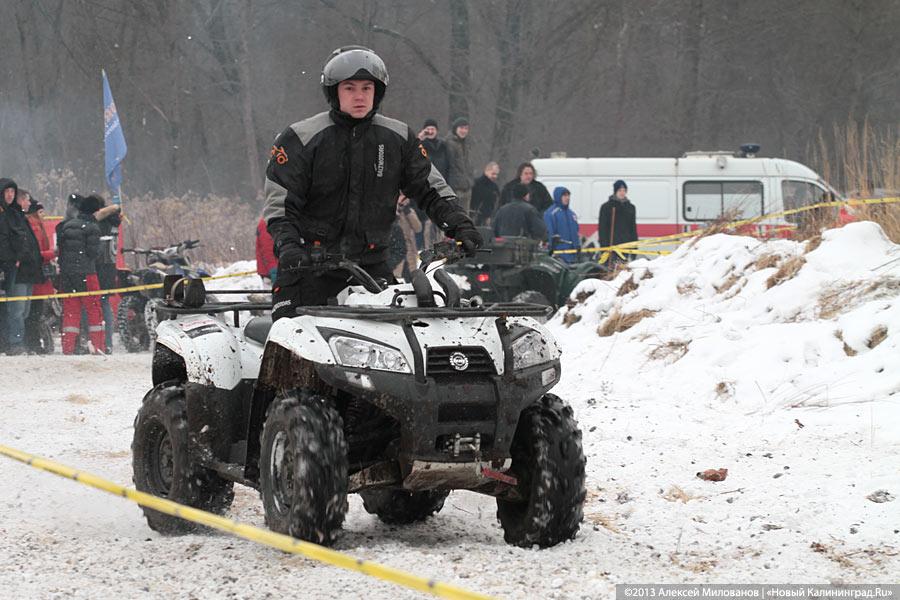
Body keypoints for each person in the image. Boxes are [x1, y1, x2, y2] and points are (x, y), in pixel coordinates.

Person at [263, 46, 481, 319]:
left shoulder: (398, 138)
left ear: (377, 92)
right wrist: (289, 245)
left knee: (398, 346)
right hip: (307, 268)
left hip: (371, 268)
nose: (359, 96)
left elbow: (431, 189)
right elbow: (280, 204)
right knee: (292, 342)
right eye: (350, 88)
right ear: (334, 92)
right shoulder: (301, 137)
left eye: (367, 88)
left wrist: (461, 225)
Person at [56, 194, 106, 354]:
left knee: (71, 311)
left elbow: (61, 251)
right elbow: (93, 253)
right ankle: (98, 347)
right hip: (87, 273)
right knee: (94, 310)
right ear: (94, 212)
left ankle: (68, 348)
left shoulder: (67, 226)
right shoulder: (92, 227)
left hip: (68, 275)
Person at [0, 187, 43, 354]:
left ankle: (20, 341)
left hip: (28, 271)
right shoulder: (10, 218)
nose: (29, 203)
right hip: (18, 271)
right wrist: (15, 259)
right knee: (16, 310)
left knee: (24, 310)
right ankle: (15, 343)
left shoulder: (22, 219)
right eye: (26, 199)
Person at [23, 200, 56, 353]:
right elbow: (36, 253)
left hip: (34, 274)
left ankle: (32, 343)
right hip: (37, 274)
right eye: (41, 212)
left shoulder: (33, 224)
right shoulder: (35, 226)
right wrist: (52, 253)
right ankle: (33, 344)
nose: (44, 216)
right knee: (34, 312)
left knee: (32, 312)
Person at [93, 196, 121, 353]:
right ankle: (108, 342)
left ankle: (99, 341)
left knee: (95, 306)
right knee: (105, 306)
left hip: (98, 268)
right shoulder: (113, 222)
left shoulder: (99, 222)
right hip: (109, 269)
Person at [598, 179, 638, 267]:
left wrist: (635, 246)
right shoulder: (607, 207)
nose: (622, 193)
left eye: (624, 190)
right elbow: (602, 229)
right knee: (611, 271)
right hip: (611, 246)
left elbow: (633, 228)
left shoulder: (631, 207)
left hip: (626, 245)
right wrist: (604, 247)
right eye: (620, 190)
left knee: (624, 272)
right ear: (615, 191)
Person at [544, 186, 581, 264]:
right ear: (558, 196)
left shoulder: (572, 214)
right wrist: (552, 250)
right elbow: (549, 233)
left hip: (573, 255)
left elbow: (576, 231)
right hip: (559, 256)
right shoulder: (551, 214)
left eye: (568, 195)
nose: (567, 198)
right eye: (564, 195)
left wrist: (577, 245)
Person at [444, 116, 472, 215]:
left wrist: (470, 181)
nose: (463, 131)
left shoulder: (465, 144)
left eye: (466, 128)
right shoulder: (449, 143)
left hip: (466, 187)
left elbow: (467, 166)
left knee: (464, 219)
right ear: (455, 128)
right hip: (454, 187)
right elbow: (448, 166)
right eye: (461, 128)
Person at [393, 193, 422, 279]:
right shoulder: (392, 211)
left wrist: (408, 212)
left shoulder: (409, 211)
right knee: (397, 278)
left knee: (412, 278)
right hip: (396, 249)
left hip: (409, 250)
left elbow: (418, 228)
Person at [471, 161, 500, 226]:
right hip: (476, 215)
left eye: (497, 174)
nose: (495, 176)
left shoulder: (495, 187)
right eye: (493, 174)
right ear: (486, 171)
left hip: (488, 216)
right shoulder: (476, 184)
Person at [255, 216, 277, 285]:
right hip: (270, 272)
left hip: (274, 269)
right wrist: (274, 268)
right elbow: (267, 249)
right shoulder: (267, 222)